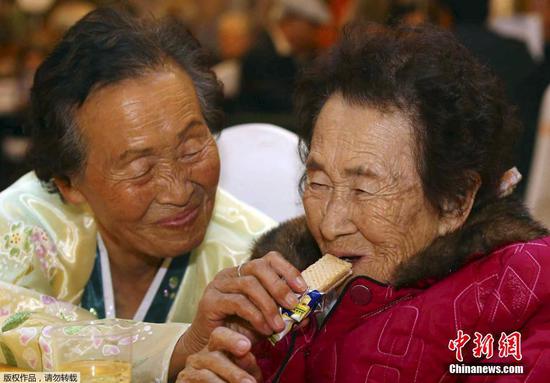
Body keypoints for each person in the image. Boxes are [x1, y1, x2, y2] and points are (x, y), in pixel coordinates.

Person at [176, 23, 550, 383]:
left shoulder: (523, 296)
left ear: (455, 200)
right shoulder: (283, 291)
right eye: (318, 183)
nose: (330, 224)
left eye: (364, 190)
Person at [0, 7, 308, 381]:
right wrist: (180, 348)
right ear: (69, 184)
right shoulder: (23, 224)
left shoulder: (253, 259)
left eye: (193, 148)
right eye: (139, 169)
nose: (179, 192)